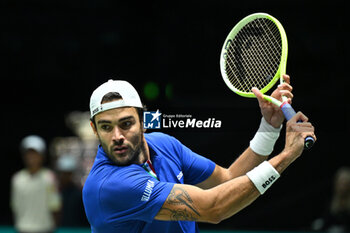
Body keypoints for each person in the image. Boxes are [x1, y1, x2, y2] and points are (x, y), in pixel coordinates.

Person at [83, 75, 316, 233]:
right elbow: (214, 208)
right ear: (94, 129)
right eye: (105, 127)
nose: (117, 136)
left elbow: (228, 178)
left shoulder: (164, 145)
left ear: (143, 121)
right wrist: (286, 155)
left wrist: (269, 127)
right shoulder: (109, 186)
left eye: (126, 124)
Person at [10, 135, 62, 233]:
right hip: (22, 229)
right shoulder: (17, 179)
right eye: (28, 154)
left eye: (35, 153)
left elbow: (55, 208)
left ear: (42, 156)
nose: (32, 157)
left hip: (45, 229)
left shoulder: (50, 177)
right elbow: (15, 208)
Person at [311, 167, 350, 232]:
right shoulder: (330, 201)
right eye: (340, 183)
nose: (342, 187)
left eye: (345, 183)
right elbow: (327, 221)